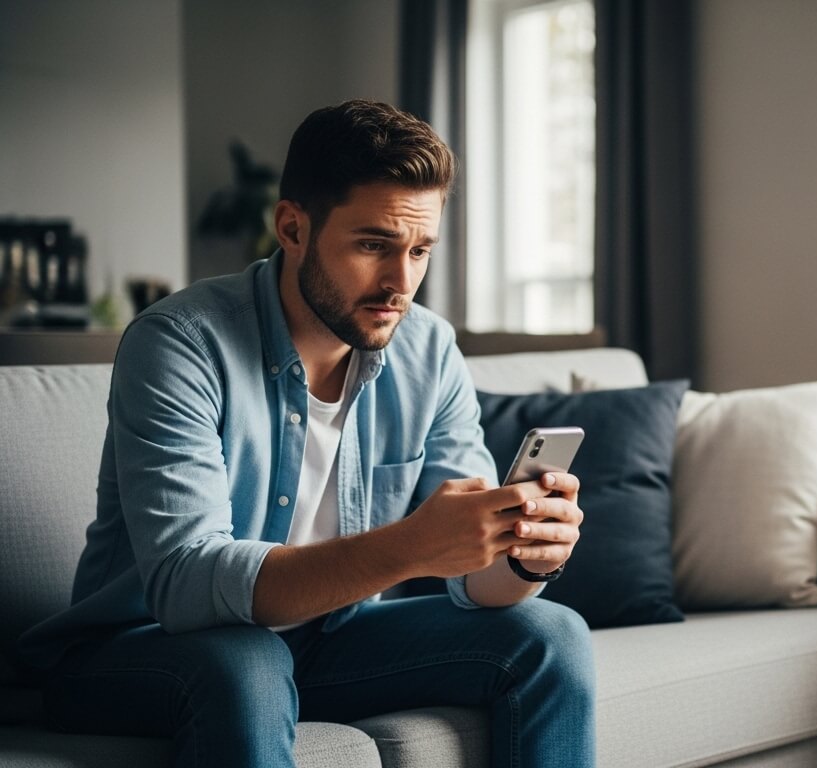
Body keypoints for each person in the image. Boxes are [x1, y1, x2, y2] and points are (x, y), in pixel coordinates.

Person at [17, 100, 595, 768]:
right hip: (137, 650)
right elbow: (185, 583)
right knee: (248, 661)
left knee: (550, 634)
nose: (400, 283)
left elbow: (473, 584)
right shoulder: (179, 344)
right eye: (373, 245)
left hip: (328, 638)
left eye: (420, 250)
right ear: (293, 227)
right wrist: (409, 547)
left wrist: (521, 556)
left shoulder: (429, 349)